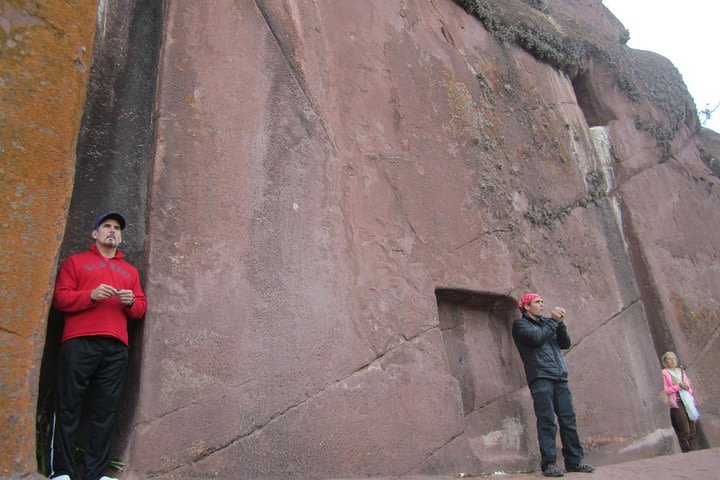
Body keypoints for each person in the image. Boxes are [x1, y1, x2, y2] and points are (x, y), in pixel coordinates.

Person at [48, 212, 147, 480]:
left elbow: (140, 309)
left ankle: (95, 474)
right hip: (78, 341)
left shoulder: (129, 271)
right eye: (106, 226)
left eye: (117, 228)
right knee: (68, 405)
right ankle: (60, 472)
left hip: (115, 348)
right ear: (95, 234)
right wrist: (90, 295)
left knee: (105, 411)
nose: (112, 231)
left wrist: (129, 301)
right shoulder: (76, 262)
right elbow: (59, 298)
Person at [512, 293, 594, 477]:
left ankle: (574, 461)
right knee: (547, 421)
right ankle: (549, 464)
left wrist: (560, 324)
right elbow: (536, 339)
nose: (542, 305)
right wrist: (553, 322)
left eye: (542, 302)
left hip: (559, 376)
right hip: (540, 376)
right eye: (537, 302)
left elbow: (565, 343)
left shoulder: (549, 323)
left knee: (568, 420)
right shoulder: (521, 325)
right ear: (526, 307)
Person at [661, 351, 699, 452]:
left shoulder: (681, 371)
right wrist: (678, 386)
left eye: (674, 358)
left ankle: (694, 452)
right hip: (677, 403)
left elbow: (688, 386)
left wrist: (687, 388)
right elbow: (665, 390)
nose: (672, 360)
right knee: (685, 430)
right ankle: (687, 452)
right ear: (665, 361)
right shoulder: (664, 373)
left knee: (692, 430)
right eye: (669, 358)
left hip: (688, 402)